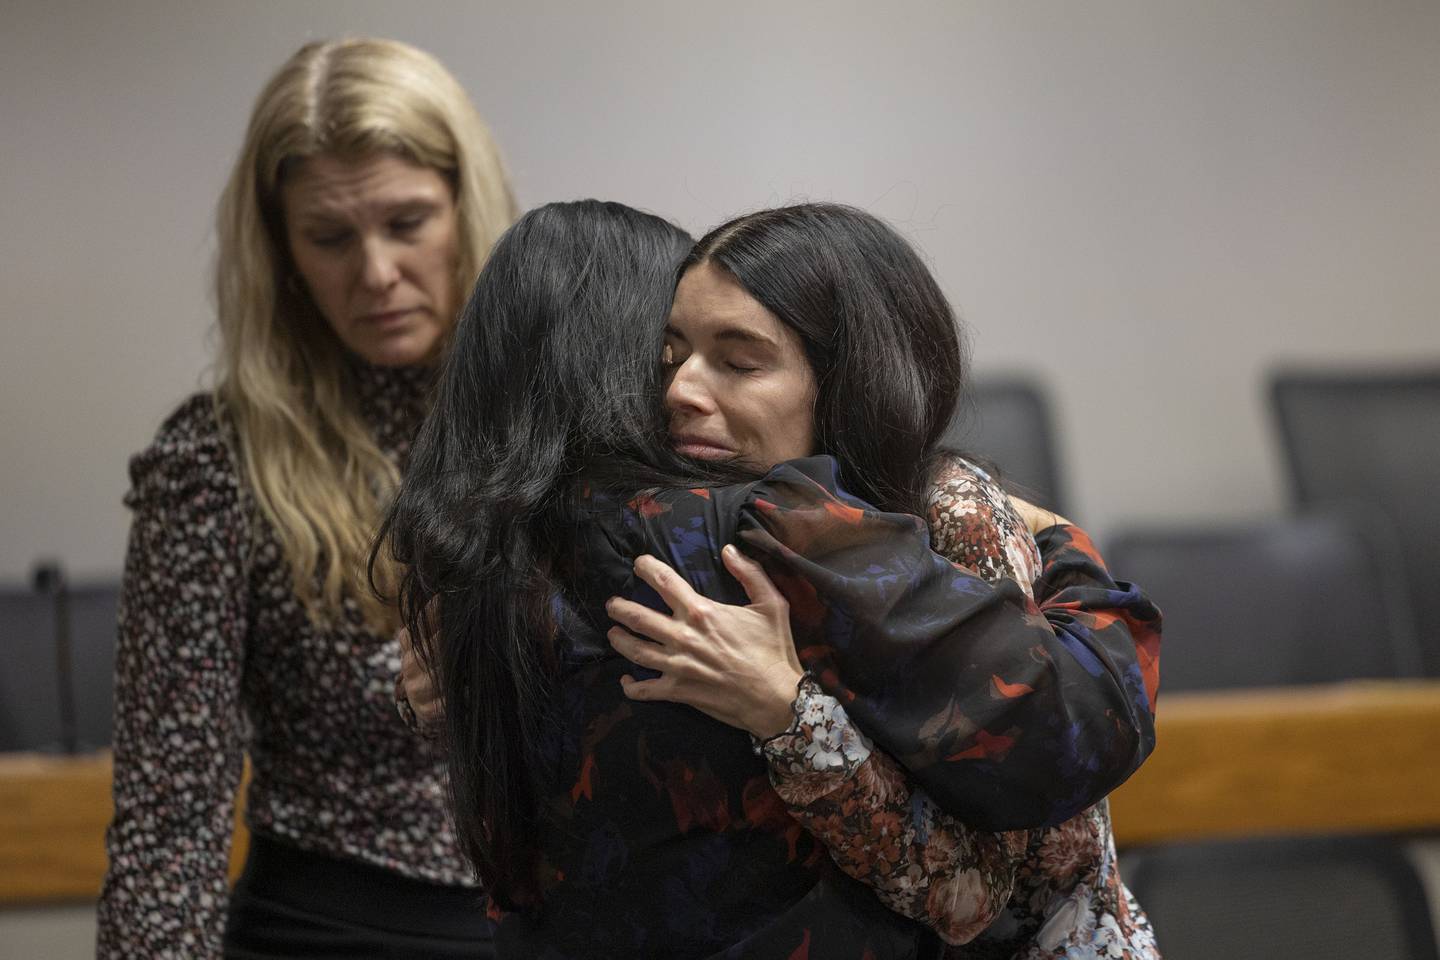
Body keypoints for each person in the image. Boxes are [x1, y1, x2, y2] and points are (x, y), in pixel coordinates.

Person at [384, 200, 1159, 958]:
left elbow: (1016, 861)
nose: (680, 390)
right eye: (666, 357)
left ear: (850, 380)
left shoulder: (940, 511)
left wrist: (791, 712)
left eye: (738, 360)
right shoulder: (672, 531)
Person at [96, 37, 517, 959]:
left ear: (467, 209)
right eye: (330, 237)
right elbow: (171, 814)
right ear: (282, 250)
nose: (374, 274)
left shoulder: (561, 422)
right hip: (331, 923)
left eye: (407, 223)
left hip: (571, 917)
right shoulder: (217, 455)